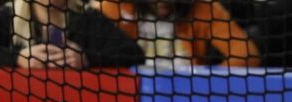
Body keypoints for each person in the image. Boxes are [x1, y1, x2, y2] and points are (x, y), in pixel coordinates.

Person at [0, 0, 145, 68]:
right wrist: (18, 58)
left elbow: (133, 53)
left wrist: (87, 58)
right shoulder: (9, 15)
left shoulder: (87, 18)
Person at [95, 0, 260, 68]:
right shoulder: (116, 7)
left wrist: (206, 82)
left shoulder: (203, 9)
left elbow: (247, 54)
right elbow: (90, 45)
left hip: (186, 96)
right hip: (132, 94)